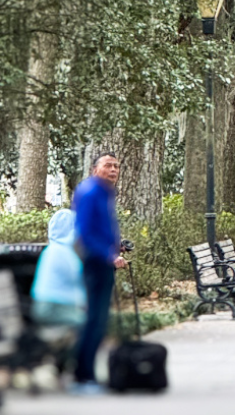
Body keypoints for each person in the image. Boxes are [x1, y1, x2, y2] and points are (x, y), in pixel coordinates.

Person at [71, 152, 126, 395]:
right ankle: (82, 377)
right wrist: (107, 254)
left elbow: (101, 229)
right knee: (94, 319)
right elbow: (84, 233)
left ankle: (89, 374)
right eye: (108, 165)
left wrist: (115, 246)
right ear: (95, 169)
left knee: (100, 320)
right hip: (95, 263)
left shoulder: (106, 193)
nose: (113, 170)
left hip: (105, 261)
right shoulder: (90, 192)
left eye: (116, 166)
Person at [32, 209, 86, 329]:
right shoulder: (61, 252)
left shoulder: (54, 250)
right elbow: (81, 278)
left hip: (55, 306)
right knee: (89, 324)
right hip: (53, 308)